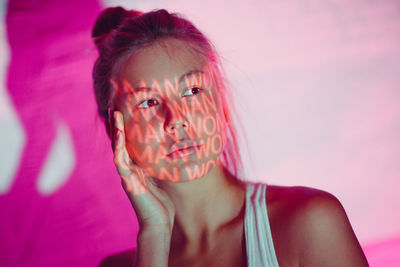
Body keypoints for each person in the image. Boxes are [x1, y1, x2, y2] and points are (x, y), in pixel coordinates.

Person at [92, 7, 369, 267]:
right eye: (148, 103)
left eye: (192, 91)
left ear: (220, 102)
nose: (177, 120)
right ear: (115, 130)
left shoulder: (310, 223)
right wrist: (154, 234)